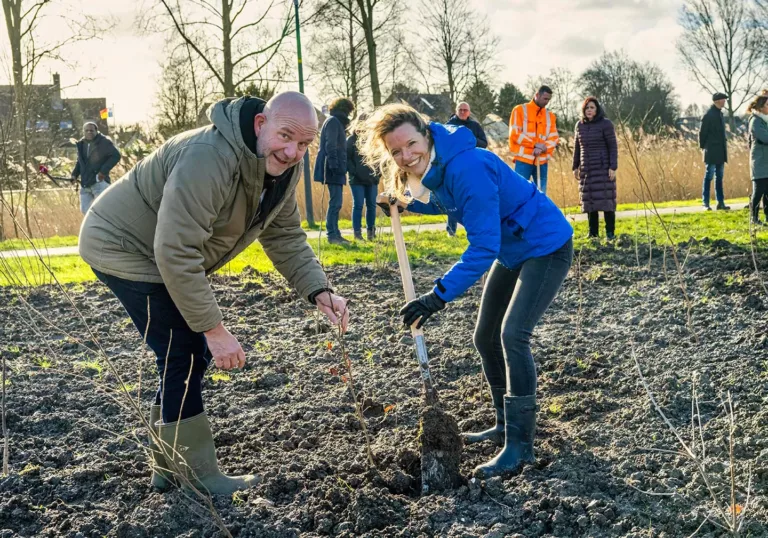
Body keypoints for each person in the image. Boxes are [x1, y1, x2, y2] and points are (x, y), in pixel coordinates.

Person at [78, 92, 349, 495]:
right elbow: (175, 250)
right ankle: (197, 477)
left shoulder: (280, 169)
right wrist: (214, 329)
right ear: (261, 124)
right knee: (184, 348)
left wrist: (317, 289)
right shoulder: (208, 156)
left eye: (304, 144)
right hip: (122, 245)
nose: (293, 151)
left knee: (184, 351)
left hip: (161, 250)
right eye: (285, 135)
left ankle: (168, 468)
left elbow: (285, 235)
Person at [360, 104, 573, 479]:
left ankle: (521, 447)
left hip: (545, 245)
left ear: (426, 134)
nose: (406, 156)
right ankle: (504, 425)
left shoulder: (467, 166)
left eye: (411, 144)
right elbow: (452, 203)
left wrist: (436, 296)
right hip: (513, 248)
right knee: (485, 337)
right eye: (396, 152)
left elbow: (483, 247)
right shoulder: (439, 166)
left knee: (512, 335)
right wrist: (406, 206)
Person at [572, 97, 619, 240]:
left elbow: (612, 146)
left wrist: (613, 166)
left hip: (603, 167)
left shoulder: (606, 124)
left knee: (607, 201)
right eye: (587, 108)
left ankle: (610, 233)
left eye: (592, 107)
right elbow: (577, 147)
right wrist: (575, 166)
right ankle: (593, 234)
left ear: (597, 109)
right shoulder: (579, 125)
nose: (589, 110)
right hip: (587, 170)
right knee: (589, 201)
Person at [314, 97, 355, 244]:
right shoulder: (333, 122)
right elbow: (330, 145)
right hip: (332, 168)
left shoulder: (336, 122)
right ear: (345, 109)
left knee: (336, 202)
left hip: (336, 167)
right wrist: (334, 165)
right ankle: (332, 235)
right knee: (335, 202)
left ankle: (335, 234)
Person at [445, 102, 488, 236]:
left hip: (471, 165)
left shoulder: (474, 126)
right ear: (456, 111)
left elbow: (484, 143)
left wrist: (469, 139)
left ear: (469, 112)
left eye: (465, 110)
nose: (463, 112)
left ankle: (474, 229)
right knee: (452, 199)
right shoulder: (449, 125)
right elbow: (443, 144)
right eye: (460, 110)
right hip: (453, 165)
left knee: (473, 196)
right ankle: (451, 230)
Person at [508, 85, 559, 195]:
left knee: (541, 195)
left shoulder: (550, 116)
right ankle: (521, 213)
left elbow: (554, 137)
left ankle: (538, 213)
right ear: (537, 95)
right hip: (523, 160)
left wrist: (543, 148)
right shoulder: (519, 110)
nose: (547, 102)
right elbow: (515, 134)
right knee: (519, 193)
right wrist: (535, 145)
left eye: (549, 100)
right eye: (545, 99)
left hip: (542, 161)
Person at [71, 122, 121, 214]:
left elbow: (116, 156)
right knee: (86, 212)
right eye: (87, 130)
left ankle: (106, 228)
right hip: (85, 184)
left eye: (91, 130)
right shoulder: (81, 144)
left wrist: (103, 172)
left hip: (99, 183)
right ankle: (94, 228)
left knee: (102, 211)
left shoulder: (104, 142)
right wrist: (74, 174)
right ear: (84, 132)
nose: (89, 132)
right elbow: (80, 162)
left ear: (96, 131)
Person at [347, 113, 380, 241]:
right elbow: (347, 158)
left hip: (372, 178)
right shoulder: (351, 140)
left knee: (372, 205)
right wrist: (353, 171)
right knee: (359, 205)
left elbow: (379, 157)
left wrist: (378, 173)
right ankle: (357, 233)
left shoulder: (374, 140)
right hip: (356, 180)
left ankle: (371, 233)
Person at [699, 92, 731, 211]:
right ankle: (705, 203)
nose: (725, 101)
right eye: (723, 99)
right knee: (709, 176)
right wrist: (703, 147)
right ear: (717, 101)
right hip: (711, 150)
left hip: (720, 151)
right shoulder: (708, 115)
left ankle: (720, 202)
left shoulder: (720, 114)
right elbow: (702, 133)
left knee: (719, 177)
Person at [747, 95, 768, 226]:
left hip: (766, 160)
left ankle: (767, 217)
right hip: (760, 161)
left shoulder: (765, 120)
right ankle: (753, 218)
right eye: (767, 105)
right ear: (760, 107)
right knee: (758, 190)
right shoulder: (755, 121)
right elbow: (764, 138)